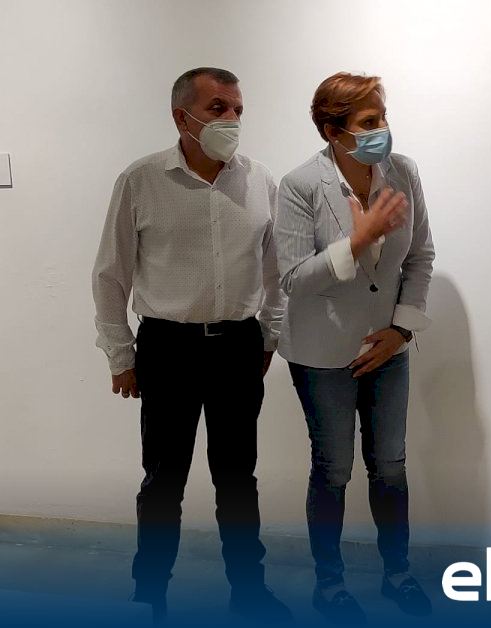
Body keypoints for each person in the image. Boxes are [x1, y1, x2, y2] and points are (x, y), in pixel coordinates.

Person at [91, 67, 291, 623]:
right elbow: (110, 275)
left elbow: (277, 269)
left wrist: (268, 335)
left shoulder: (259, 181)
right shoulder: (141, 180)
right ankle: (149, 593)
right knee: (163, 480)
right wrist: (120, 354)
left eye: (238, 109)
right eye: (218, 108)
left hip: (238, 347)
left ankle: (249, 592)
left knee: (238, 478)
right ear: (182, 117)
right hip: (167, 348)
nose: (233, 119)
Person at [273, 72, 436, 625]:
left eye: (383, 116)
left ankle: (398, 573)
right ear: (332, 131)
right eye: (369, 121)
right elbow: (294, 279)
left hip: (389, 347)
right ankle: (331, 584)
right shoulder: (300, 185)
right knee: (334, 470)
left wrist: (402, 330)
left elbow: (421, 256)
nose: (383, 129)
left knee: (390, 466)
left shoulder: (403, 172)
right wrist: (358, 239)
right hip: (323, 354)